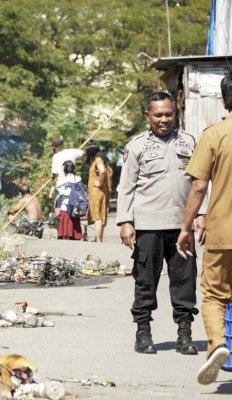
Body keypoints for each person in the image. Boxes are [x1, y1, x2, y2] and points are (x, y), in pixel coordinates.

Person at [116, 91, 206, 355]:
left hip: (182, 227)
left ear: (175, 112)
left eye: (168, 114)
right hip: (148, 226)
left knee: (185, 283)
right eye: (158, 115)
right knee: (145, 282)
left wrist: (202, 214)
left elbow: (201, 182)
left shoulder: (190, 142)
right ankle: (143, 333)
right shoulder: (136, 146)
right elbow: (126, 187)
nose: (164, 119)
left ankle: (184, 335)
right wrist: (125, 221)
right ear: (148, 116)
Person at [176, 71, 232, 385]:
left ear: (223, 100)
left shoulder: (214, 135)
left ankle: (218, 344)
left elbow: (198, 187)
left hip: (222, 233)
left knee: (213, 295)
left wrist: (186, 227)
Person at [49, 138, 84, 215]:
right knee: (73, 207)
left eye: (54, 148)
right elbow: (84, 153)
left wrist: (52, 177)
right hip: (73, 183)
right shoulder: (72, 151)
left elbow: (54, 173)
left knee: (60, 208)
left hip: (62, 185)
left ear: (59, 147)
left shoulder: (56, 156)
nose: (53, 150)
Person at [86, 144, 112, 242]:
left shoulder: (98, 160)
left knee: (97, 215)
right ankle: (98, 238)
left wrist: (99, 182)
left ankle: (98, 239)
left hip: (97, 191)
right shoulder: (104, 161)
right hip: (103, 191)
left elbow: (103, 172)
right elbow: (109, 172)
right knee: (101, 213)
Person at [55, 160, 83, 240]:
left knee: (66, 220)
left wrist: (58, 190)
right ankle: (76, 235)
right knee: (75, 220)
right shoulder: (78, 178)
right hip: (76, 206)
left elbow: (62, 192)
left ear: (64, 170)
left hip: (66, 206)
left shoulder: (63, 180)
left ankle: (66, 234)